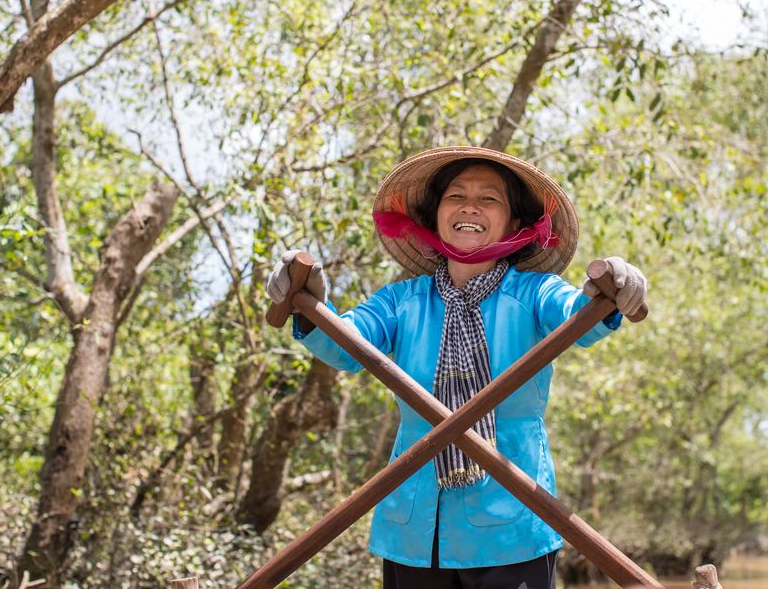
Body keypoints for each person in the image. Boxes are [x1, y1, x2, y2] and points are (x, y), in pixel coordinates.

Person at [268, 146, 647, 589]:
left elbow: (576, 315)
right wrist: (312, 304)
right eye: (456, 196)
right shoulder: (401, 300)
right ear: (435, 218)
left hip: (514, 519)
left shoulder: (534, 292)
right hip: (413, 526)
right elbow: (348, 346)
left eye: (490, 198)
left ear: (516, 224)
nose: (470, 206)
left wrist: (609, 290)